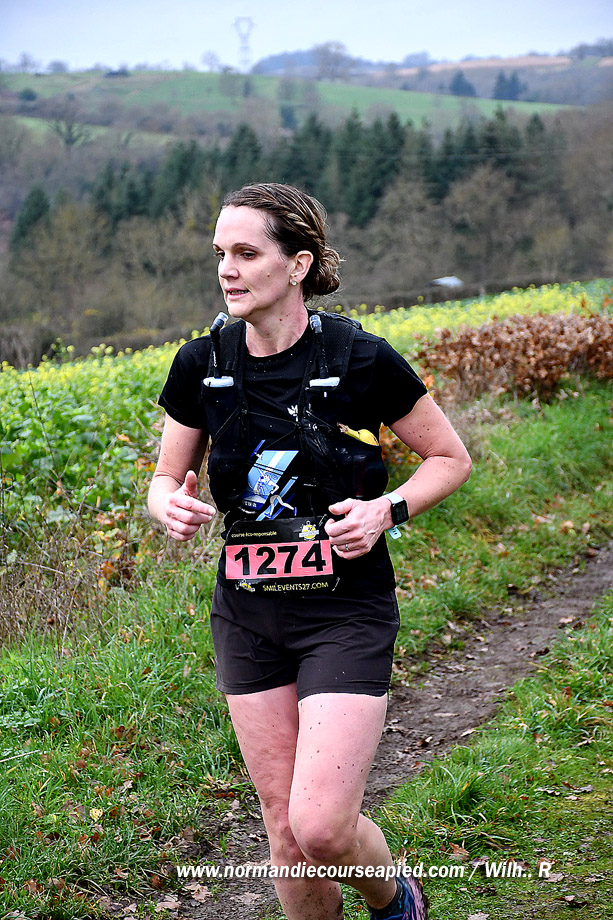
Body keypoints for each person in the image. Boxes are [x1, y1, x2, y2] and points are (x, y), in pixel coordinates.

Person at [148, 182, 472, 920]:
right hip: (247, 613)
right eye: (219, 253)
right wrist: (169, 505)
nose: (226, 269)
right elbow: (164, 479)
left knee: (321, 828)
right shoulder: (201, 363)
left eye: (245, 253)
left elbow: (449, 459)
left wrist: (385, 510)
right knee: (284, 829)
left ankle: (395, 899)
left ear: (297, 265)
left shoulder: (360, 358)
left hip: (344, 612)